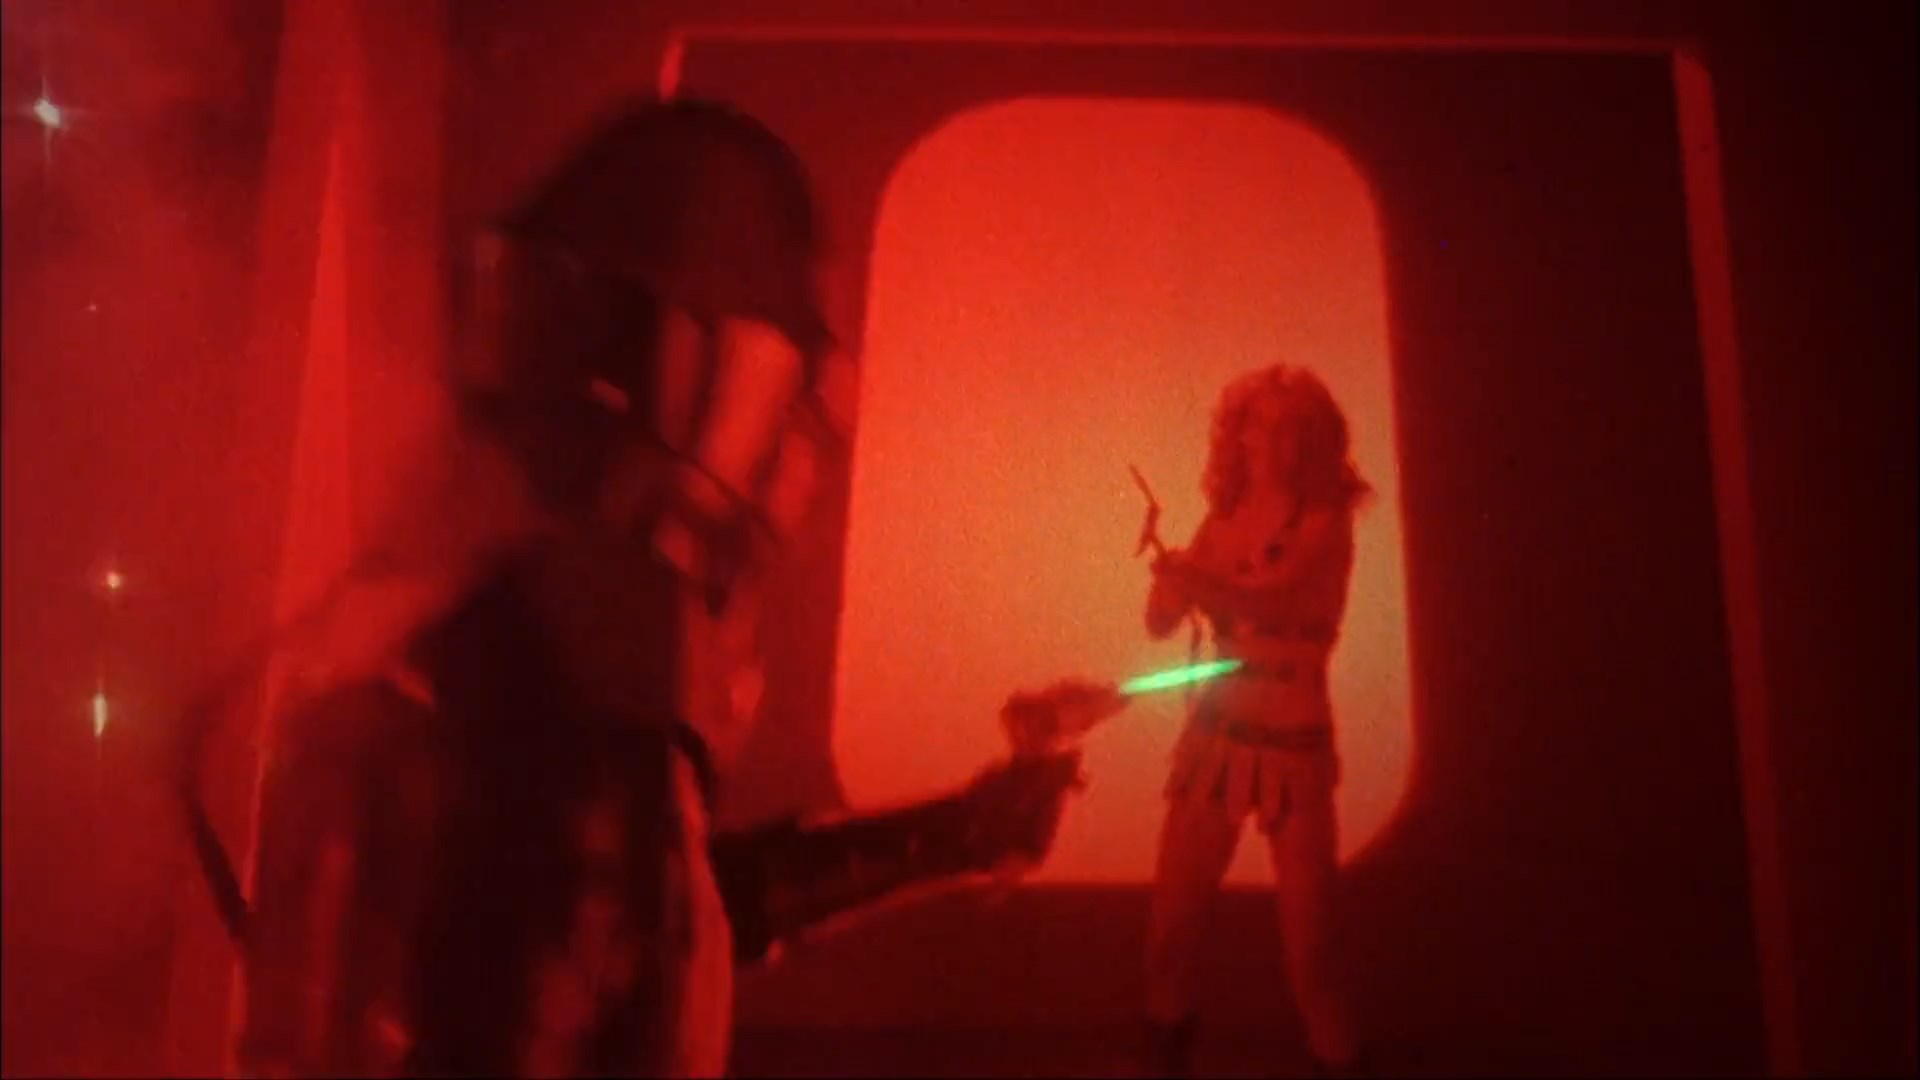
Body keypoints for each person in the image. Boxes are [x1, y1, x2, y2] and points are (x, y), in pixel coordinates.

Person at [173, 97, 1078, 1079]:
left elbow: (641, 930)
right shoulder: (549, 710)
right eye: (795, 409)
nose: (804, 469)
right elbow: (594, 938)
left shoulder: (503, 686)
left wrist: (949, 838)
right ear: (699, 386)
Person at [1138, 364, 1371, 1078]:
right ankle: (1164, 1052)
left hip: (1294, 751)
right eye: (1257, 424)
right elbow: (1159, 625)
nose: (1268, 440)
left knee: (1312, 949)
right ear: (1236, 436)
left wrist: (1198, 580)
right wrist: (1170, 589)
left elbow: (1276, 600)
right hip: (1217, 741)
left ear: (1312, 440)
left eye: (1286, 427)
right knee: (1173, 927)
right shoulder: (1223, 521)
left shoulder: (1324, 525)